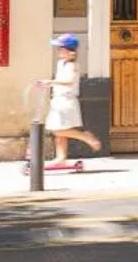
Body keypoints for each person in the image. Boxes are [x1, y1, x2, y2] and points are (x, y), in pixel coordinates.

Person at [40, 34, 100, 165]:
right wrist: (50, 84)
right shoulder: (61, 63)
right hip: (58, 99)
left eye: (61, 48)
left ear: (70, 51)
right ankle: (60, 158)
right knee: (60, 133)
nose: (58, 51)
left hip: (66, 101)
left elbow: (69, 81)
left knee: (57, 129)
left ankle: (86, 137)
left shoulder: (73, 65)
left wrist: (51, 82)